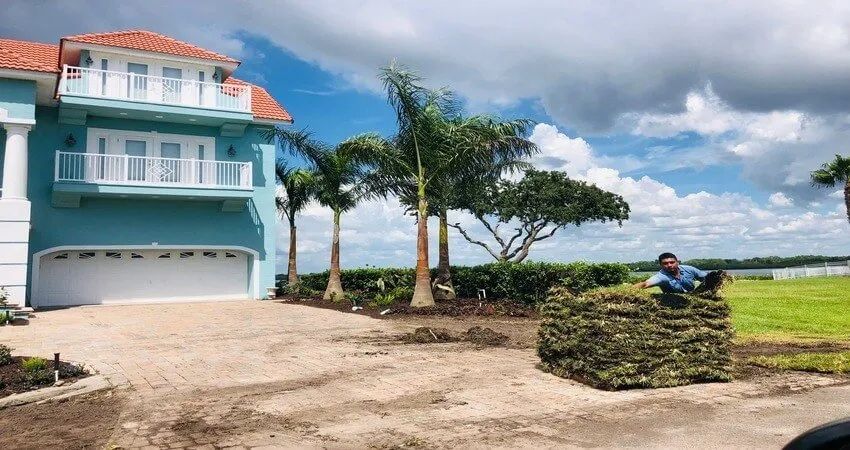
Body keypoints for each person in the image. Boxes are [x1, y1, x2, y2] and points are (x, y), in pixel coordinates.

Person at [633, 252, 708, 293]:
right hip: (673, 302)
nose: (669, 265)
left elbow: (708, 278)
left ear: (677, 262)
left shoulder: (690, 269)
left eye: (672, 262)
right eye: (665, 263)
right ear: (661, 265)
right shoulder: (662, 277)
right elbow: (646, 283)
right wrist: (628, 289)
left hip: (694, 298)